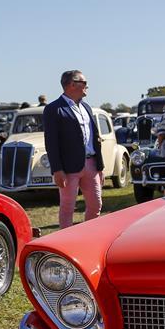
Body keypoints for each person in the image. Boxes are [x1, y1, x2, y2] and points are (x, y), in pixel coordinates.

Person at [43, 70, 105, 229]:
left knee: (96, 204)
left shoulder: (87, 108)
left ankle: (89, 236)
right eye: (84, 83)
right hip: (68, 168)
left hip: (91, 164)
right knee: (67, 208)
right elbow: (51, 142)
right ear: (72, 85)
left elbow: (95, 137)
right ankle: (66, 243)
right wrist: (57, 170)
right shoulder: (54, 109)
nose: (87, 87)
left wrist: (100, 167)